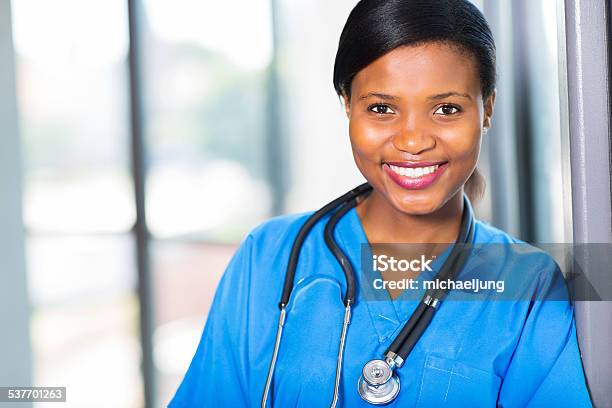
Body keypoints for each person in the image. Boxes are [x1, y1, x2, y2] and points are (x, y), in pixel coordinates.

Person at [169, 0, 592, 406]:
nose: (413, 141)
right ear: (347, 106)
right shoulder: (270, 257)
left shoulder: (529, 286)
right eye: (381, 108)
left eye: (446, 109)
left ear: (486, 109)